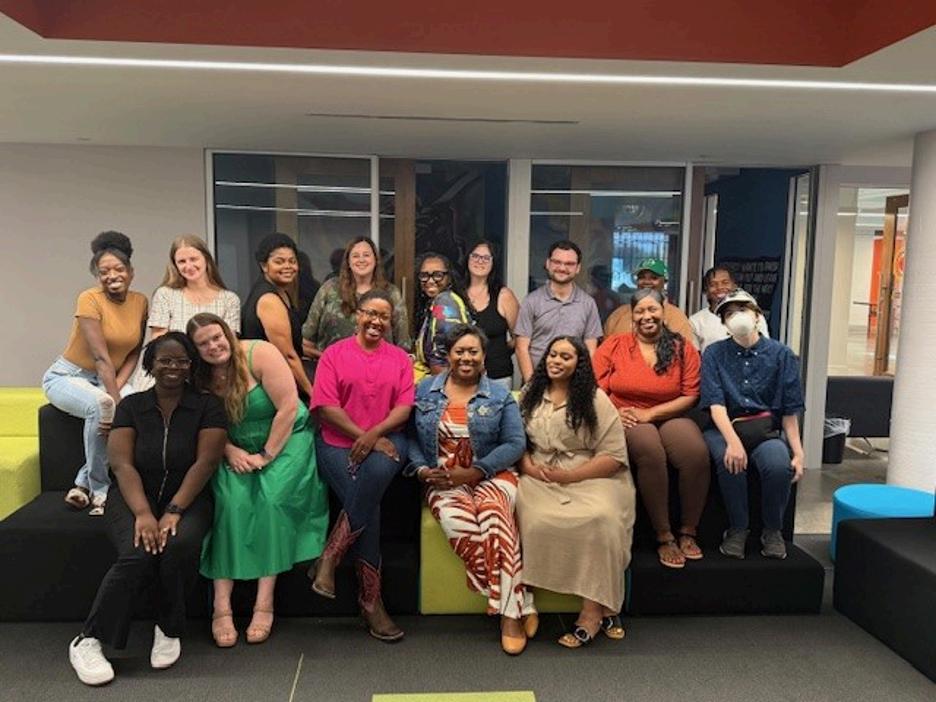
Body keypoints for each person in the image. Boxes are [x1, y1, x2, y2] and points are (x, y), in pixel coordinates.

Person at [67, 333, 226, 686]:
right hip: (131, 496)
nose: (173, 367)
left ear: (191, 366)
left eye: (182, 361)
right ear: (151, 364)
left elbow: (206, 463)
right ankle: (88, 640)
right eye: (165, 360)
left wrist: (174, 509)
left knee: (178, 543)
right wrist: (143, 513)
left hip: (187, 496)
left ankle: (168, 626)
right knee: (137, 552)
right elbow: (122, 464)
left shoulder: (207, 406)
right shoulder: (131, 406)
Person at [187, 313, 329, 646]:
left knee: (271, 500)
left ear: (227, 333)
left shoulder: (259, 353)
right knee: (229, 502)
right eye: (203, 343)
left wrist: (266, 455)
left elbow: (288, 407)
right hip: (233, 444)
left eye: (217, 337)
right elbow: (202, 422)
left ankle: (264, 603)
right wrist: (228, 450)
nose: (213, 346)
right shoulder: (199, 376)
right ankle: (221, 606)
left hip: (284, 438)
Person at [407, 324, 534, 655]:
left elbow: (515, 443)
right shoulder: (425, 390)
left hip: (492, 473)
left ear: (483, 356)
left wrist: (477, 471)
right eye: (460, 351)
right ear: (449, 355)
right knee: (458, 524)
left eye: (473, 351)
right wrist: (422, 470)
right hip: (443, 477)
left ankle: (510, 617)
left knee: (496, 518)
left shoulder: (500, 395)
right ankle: (520, 599)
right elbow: (410, 438)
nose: (466, 357)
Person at [516, 336, 635, 649]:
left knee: (601, 518)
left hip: (590, 473)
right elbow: (514, 439)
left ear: (578, 364)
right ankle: (528, 604)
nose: (556, 361)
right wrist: (529, 468)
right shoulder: (529, 393)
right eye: (552, 354)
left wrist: (570, 476)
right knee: (535, 519)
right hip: (539, 473)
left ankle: (593, 610)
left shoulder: (596, 399)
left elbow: (613, 456)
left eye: (565, 357)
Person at [309, 290, 413, 641]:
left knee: (376, 473)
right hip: (337, 442)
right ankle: (371, 601)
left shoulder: (400, 358)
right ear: (357, 314)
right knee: (367, 496)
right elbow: (326, 408)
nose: (376, 321)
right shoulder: (334, 355)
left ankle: (330, 556)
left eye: (384, 316)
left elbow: (403, 408)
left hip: (389, 438)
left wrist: (375, 435)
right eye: (370, 313)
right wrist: (364, 437)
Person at [593, 289, 710, 569]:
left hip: (670, 413)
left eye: (652, 309)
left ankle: (688, 531)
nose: (647, 316)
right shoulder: (615, 345)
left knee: (696, 452)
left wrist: (651, 414)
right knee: (649, 449)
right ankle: (664, 535)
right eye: (640, 311)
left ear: (663, 311)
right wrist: (615, 413)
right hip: (626, 415)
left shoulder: (683, 347)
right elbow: (594, 387)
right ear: (632, 316)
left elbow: (691, 394)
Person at [42, 231, 148, 515]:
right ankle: (101, 491)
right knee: (103, 406)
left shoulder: (140, 302)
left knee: (138, 408)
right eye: (104, 272)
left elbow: (134, 352)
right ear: (97, 276)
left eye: (118, 269)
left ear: (131, 272)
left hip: (109, 377)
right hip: (68, 376)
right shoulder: (89, 299)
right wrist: (114, 400)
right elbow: (101, 356)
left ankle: (82, 484)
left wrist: (119, 389)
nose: (112, 276)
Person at [699, 289, 805, 560]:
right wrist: (733, 442)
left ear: (757, 316)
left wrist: (798, 452)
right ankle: (738, 529)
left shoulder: (782, 355)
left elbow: (790, 409)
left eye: (743, 310)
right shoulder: (713, 354)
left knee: (778, 466)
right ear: (724, 323)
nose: (737, 316)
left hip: (765, 430)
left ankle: (773, 530)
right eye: (729, 313)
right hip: (724, 427)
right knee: (730, 462)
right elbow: (715, 403)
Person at [302, 236, 410, 367]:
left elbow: (403, 346)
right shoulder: (329, 289)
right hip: (334, 369)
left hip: (378, 370)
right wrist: (329, 360)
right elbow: (307, 342)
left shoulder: (391, 293)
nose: (361, 260)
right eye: (355, 256)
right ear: (348, 261)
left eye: (366, 255)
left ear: (376, 260)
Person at [514, 240, 602, 384]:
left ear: (578, 268)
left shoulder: (588, 304)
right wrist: (531, 385)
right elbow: (521, 348)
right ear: (548, 264)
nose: (562, 268)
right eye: (557, 262)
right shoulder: (531, 301)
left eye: (569, 264)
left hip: (573, 385)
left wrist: (585, 384)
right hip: (537, 382)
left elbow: (591, 350)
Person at [241, 233, 311, 400]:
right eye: (279, 262)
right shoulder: (269, 300)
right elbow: (287, 355)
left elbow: (291, 341)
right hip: (269, 388)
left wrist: (320, 354)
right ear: (264, 266)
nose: (288, 266)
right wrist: (312, 392)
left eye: (292, 261)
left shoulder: (282, 292)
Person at [148, 235, 240, 339]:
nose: (189, 266)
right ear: (175, 265)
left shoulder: (229, 300)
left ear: (206, 259)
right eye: (182, 261)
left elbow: (230, 341)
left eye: (193, 259)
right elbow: (158, 339)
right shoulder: (164, 295)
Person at [460, 240, 520, 391]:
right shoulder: (455, 294)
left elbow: (519, 338)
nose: (480, 261)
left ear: (494, 263)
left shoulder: (504, 295)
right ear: (467, 258)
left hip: (497, 377)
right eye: (475, 256)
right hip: (460, 377)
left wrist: (498, 350)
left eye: (486, 258)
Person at [604, 258, 695, 345]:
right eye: (642, 277)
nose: (646, 282)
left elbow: (683, 351)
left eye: (654, 278)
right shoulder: (619, 314)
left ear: (665, 282)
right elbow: (605, 350)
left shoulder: (676, 317)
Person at [412, 252, 472, 382]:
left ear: (449, 278)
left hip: (446, 382)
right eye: (424, 276)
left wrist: (438, 387)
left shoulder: (445, 302)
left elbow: (443, 356)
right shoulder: (434, 302)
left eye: (438, 275)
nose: (430, 281)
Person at [689, 265, 770, 352]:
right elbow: (694, 356)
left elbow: (765, 349)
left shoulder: (753, 316)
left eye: (725, 282)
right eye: (713, 284)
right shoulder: (696, 321)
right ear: (706, 289)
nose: (719, 287)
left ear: (734, 286)